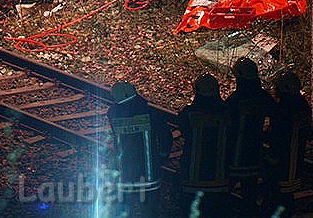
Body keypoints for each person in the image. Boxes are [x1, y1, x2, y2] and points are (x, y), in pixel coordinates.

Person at [106, 80, 172, 218]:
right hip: (149, 176)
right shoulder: (150, 113)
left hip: (125, 175)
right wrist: (162, 156)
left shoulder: (113, 114)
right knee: (149, 213)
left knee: (124, 212)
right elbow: (166, 135)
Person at [224, 57, 275, 217]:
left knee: (225, 190)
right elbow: (276, 116)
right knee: (249, 192)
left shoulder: (234, 100)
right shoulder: (264, 97)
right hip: (254, 153)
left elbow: (225, 125)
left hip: (234, 154)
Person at [178, 73, 231, 217]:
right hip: (220, 177)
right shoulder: (227, 112)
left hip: (192, 177)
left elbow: (184, 132)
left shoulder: (188, 113)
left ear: (196, 90)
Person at [265, 71, 312, 215]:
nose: (275, 90)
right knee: (287, 197)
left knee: (279, 198)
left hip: (282, 160)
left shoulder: (283, 109)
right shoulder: (303, 105)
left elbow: (276, 135)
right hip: (296, 160)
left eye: (277, 87)